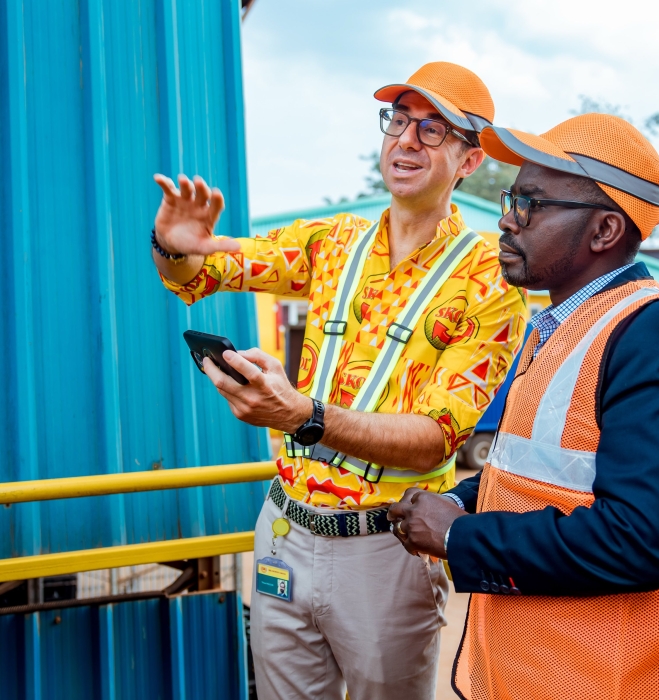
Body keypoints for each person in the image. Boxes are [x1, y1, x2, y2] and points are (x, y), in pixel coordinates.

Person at [149, 62, 527, 700]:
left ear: (469, 162)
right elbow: (206, 268)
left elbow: (435, 438)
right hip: (284, 533)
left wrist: (305, 416)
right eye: (399, 122)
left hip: (385, 550)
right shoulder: (333, 241)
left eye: (433, 131)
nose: (406, 141)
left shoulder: (490, 283)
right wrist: (174, 243)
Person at [388, 113, 659, 699]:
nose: (506, 220)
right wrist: (457, 500)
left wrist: (459, 538)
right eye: (509, 199)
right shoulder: (562, 326)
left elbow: (643, 540)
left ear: (603, 231)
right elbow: (539, 473)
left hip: (616, 684)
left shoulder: (658, 331)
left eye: (530, 204)